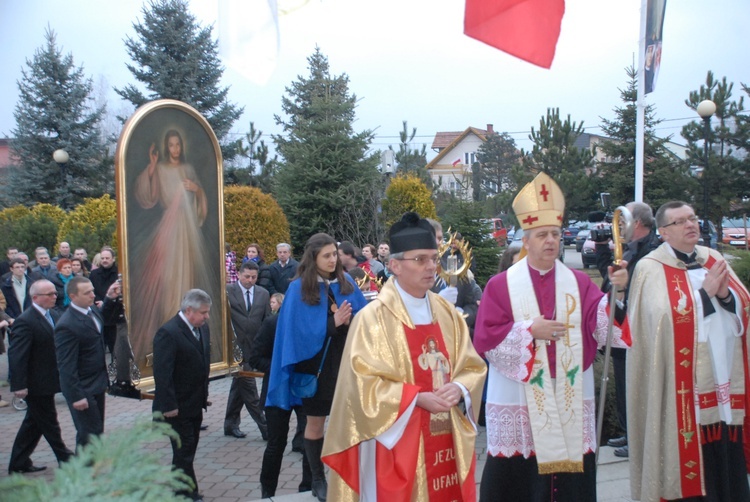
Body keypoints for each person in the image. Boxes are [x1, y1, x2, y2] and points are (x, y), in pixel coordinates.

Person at [473, 172, 630, 501]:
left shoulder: (579, 282)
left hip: (569, 393)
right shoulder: (501, 285)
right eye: (542, 234)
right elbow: (487, 339)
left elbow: (602, 326)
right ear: (526, 241)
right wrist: (530, 331)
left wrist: (617, 294)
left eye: (555, 234)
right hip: (521, 395)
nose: (550, 241)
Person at [322, 212, 486, 500]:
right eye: (420, 259)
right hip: (395, 442)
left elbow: (472, 365)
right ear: (395, 265)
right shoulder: (372, 319)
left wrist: (459, 388)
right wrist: (415, 398)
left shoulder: (449, 314)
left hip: (445, 437)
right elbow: (361, 388)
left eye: (434, 258)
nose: (431, 267)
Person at [627, 201, 750, 502]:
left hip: (721, 372)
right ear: (664, 232)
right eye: (680, 221)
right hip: (680, 384)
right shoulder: (650, 267)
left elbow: (743, 304)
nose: (690, 225)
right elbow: (659, 321)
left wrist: (724, 295)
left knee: (725, 450)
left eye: (693, 218)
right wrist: (704, 295)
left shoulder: (714, 258)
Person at [266, 233, 367, 501]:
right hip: (315, 368)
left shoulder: (347, 284)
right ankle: (317, 478)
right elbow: (296, 334)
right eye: (327, 255)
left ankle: (347, 477)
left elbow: (363, 322)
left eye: (335, 254)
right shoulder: (299, 288)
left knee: (348, 425)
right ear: (313, 258)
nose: (333, 259)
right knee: (315, 424)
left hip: (344, 366)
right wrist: (333, 323)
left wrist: (350, 321)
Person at [593, 201, 661, 458]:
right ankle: (626, 430)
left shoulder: (651, 249)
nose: (619, 227)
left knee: (636, 385)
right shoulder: (629, 248)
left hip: (639, 327)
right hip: (621, 326)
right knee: (622, 382)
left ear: (638, 223)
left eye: (623, 222)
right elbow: (609, 277)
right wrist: (601, 249)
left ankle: (638, 438)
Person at [8, 279, 74, 474]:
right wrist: (19, 385)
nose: (55, 296)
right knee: (49, 421)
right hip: (35, 384)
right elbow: (17, 355)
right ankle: (65, 457)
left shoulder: (52, 315)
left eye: (55, 293)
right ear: (35, 298)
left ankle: (18, 463)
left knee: (34, 423)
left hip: (48, 380)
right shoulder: (25, 321)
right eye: (50, 294)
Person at [250, 293, 312, 498]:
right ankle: (267, 491)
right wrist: (278, 368)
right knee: (276, 443)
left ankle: (308, 488)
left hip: (305, 390)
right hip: (278, 390)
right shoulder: (272, 324)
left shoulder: (311, 325)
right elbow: (255, 357)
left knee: (310, 441)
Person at [152, 289, 212, 502]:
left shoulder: (202, 329)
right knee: (184, 450)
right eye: (203, 313)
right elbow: (162, 373)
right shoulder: (168, 332)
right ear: (189, 310)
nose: (207, 317)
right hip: (176, 407)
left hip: (195, 403)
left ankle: (186, 490)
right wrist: (169, 405)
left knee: (188, 450)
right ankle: (183, 493)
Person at [55, 276, 123, 448]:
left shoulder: (91, 310)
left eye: (92, 290)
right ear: (72, 296)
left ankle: (92, 470)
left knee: (96, 432)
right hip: (83, 388)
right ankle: (83, 472)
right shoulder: (67, 325)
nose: (93, 295)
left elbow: (101, 320)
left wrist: (109, 298)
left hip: (98, 383)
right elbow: (66, 365)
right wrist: (76, 396)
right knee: (88, 434)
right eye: (87, 293)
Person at [224, 261, 270, 440]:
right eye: (246, 277)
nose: (250, 280)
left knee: (240, 385)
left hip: (254, 348)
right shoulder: (228, 291)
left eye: (253, 277)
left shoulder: (263, 294)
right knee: (249, 389)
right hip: (235, 349)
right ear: (239, 274)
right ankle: (265, 428)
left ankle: (230, 424)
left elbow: (266, 321)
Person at [427, 219, 483, 338]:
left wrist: (463, 316)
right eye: (433, 237)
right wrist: (439, 302)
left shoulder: (455, 267)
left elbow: (472, 304)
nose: (438, 242)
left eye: (440, 238)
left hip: (457, 338)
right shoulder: (412, 274)